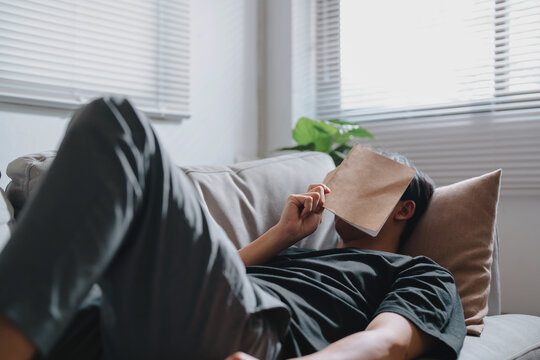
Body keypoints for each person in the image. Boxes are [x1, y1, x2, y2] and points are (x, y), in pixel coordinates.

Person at [0, 97, 466, 360]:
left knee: (114, 121)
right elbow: (208, 278)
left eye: (360, 173)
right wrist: (282, 236)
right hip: (147, 318)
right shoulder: (300, 251)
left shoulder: (419, 273)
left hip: (254, 337)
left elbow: (390, 342)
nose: (336, 178)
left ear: (403, 209)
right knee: (75, 291)